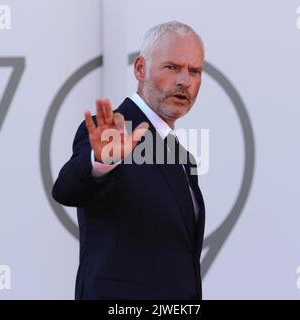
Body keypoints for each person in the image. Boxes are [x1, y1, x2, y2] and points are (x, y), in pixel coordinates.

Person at [52, 21, 206, 300]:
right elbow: (67, 188)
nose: (185, 80)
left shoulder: (181, 155)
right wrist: (100, 160)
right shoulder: (112, 132)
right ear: (140, 69)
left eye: (194, 71)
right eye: (172, 67)